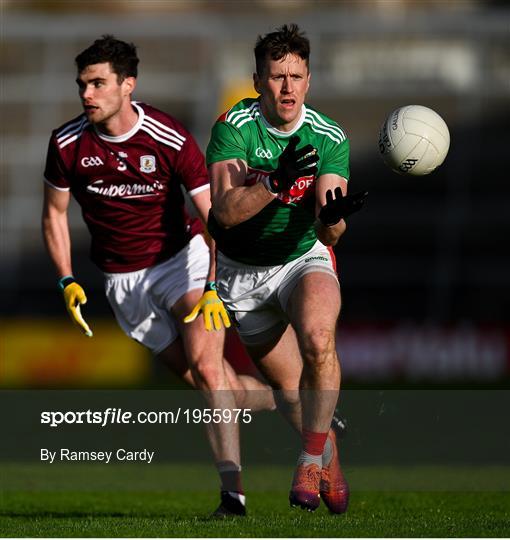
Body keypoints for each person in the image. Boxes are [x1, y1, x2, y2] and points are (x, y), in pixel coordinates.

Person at [41, 35, 274, 517]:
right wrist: (66, 279)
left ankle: (233, 497)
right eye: (82, 84)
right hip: (123, 283)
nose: (86, 94)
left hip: (181, 260)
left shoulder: (169, 137)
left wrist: (212, 287)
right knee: (209, 382)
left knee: (209, 369)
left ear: (128, 85)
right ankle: (286, 402)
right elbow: (54, 214)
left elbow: (217, 221)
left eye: (98, 83)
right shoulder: (66, 143)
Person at [207, 24, 367, 513]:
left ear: (309, 80)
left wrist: (333, 219)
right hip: (243, 273)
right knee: (289, 392)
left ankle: (309, 459)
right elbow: (223, 215)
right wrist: (274, 183)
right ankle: (327, 449)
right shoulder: (233, 127)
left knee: (319, 338)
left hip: (302, 257)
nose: (288, 88)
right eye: (277, 76)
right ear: (258, 81)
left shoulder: (328, 137)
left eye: (296, 76)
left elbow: (327, 232)